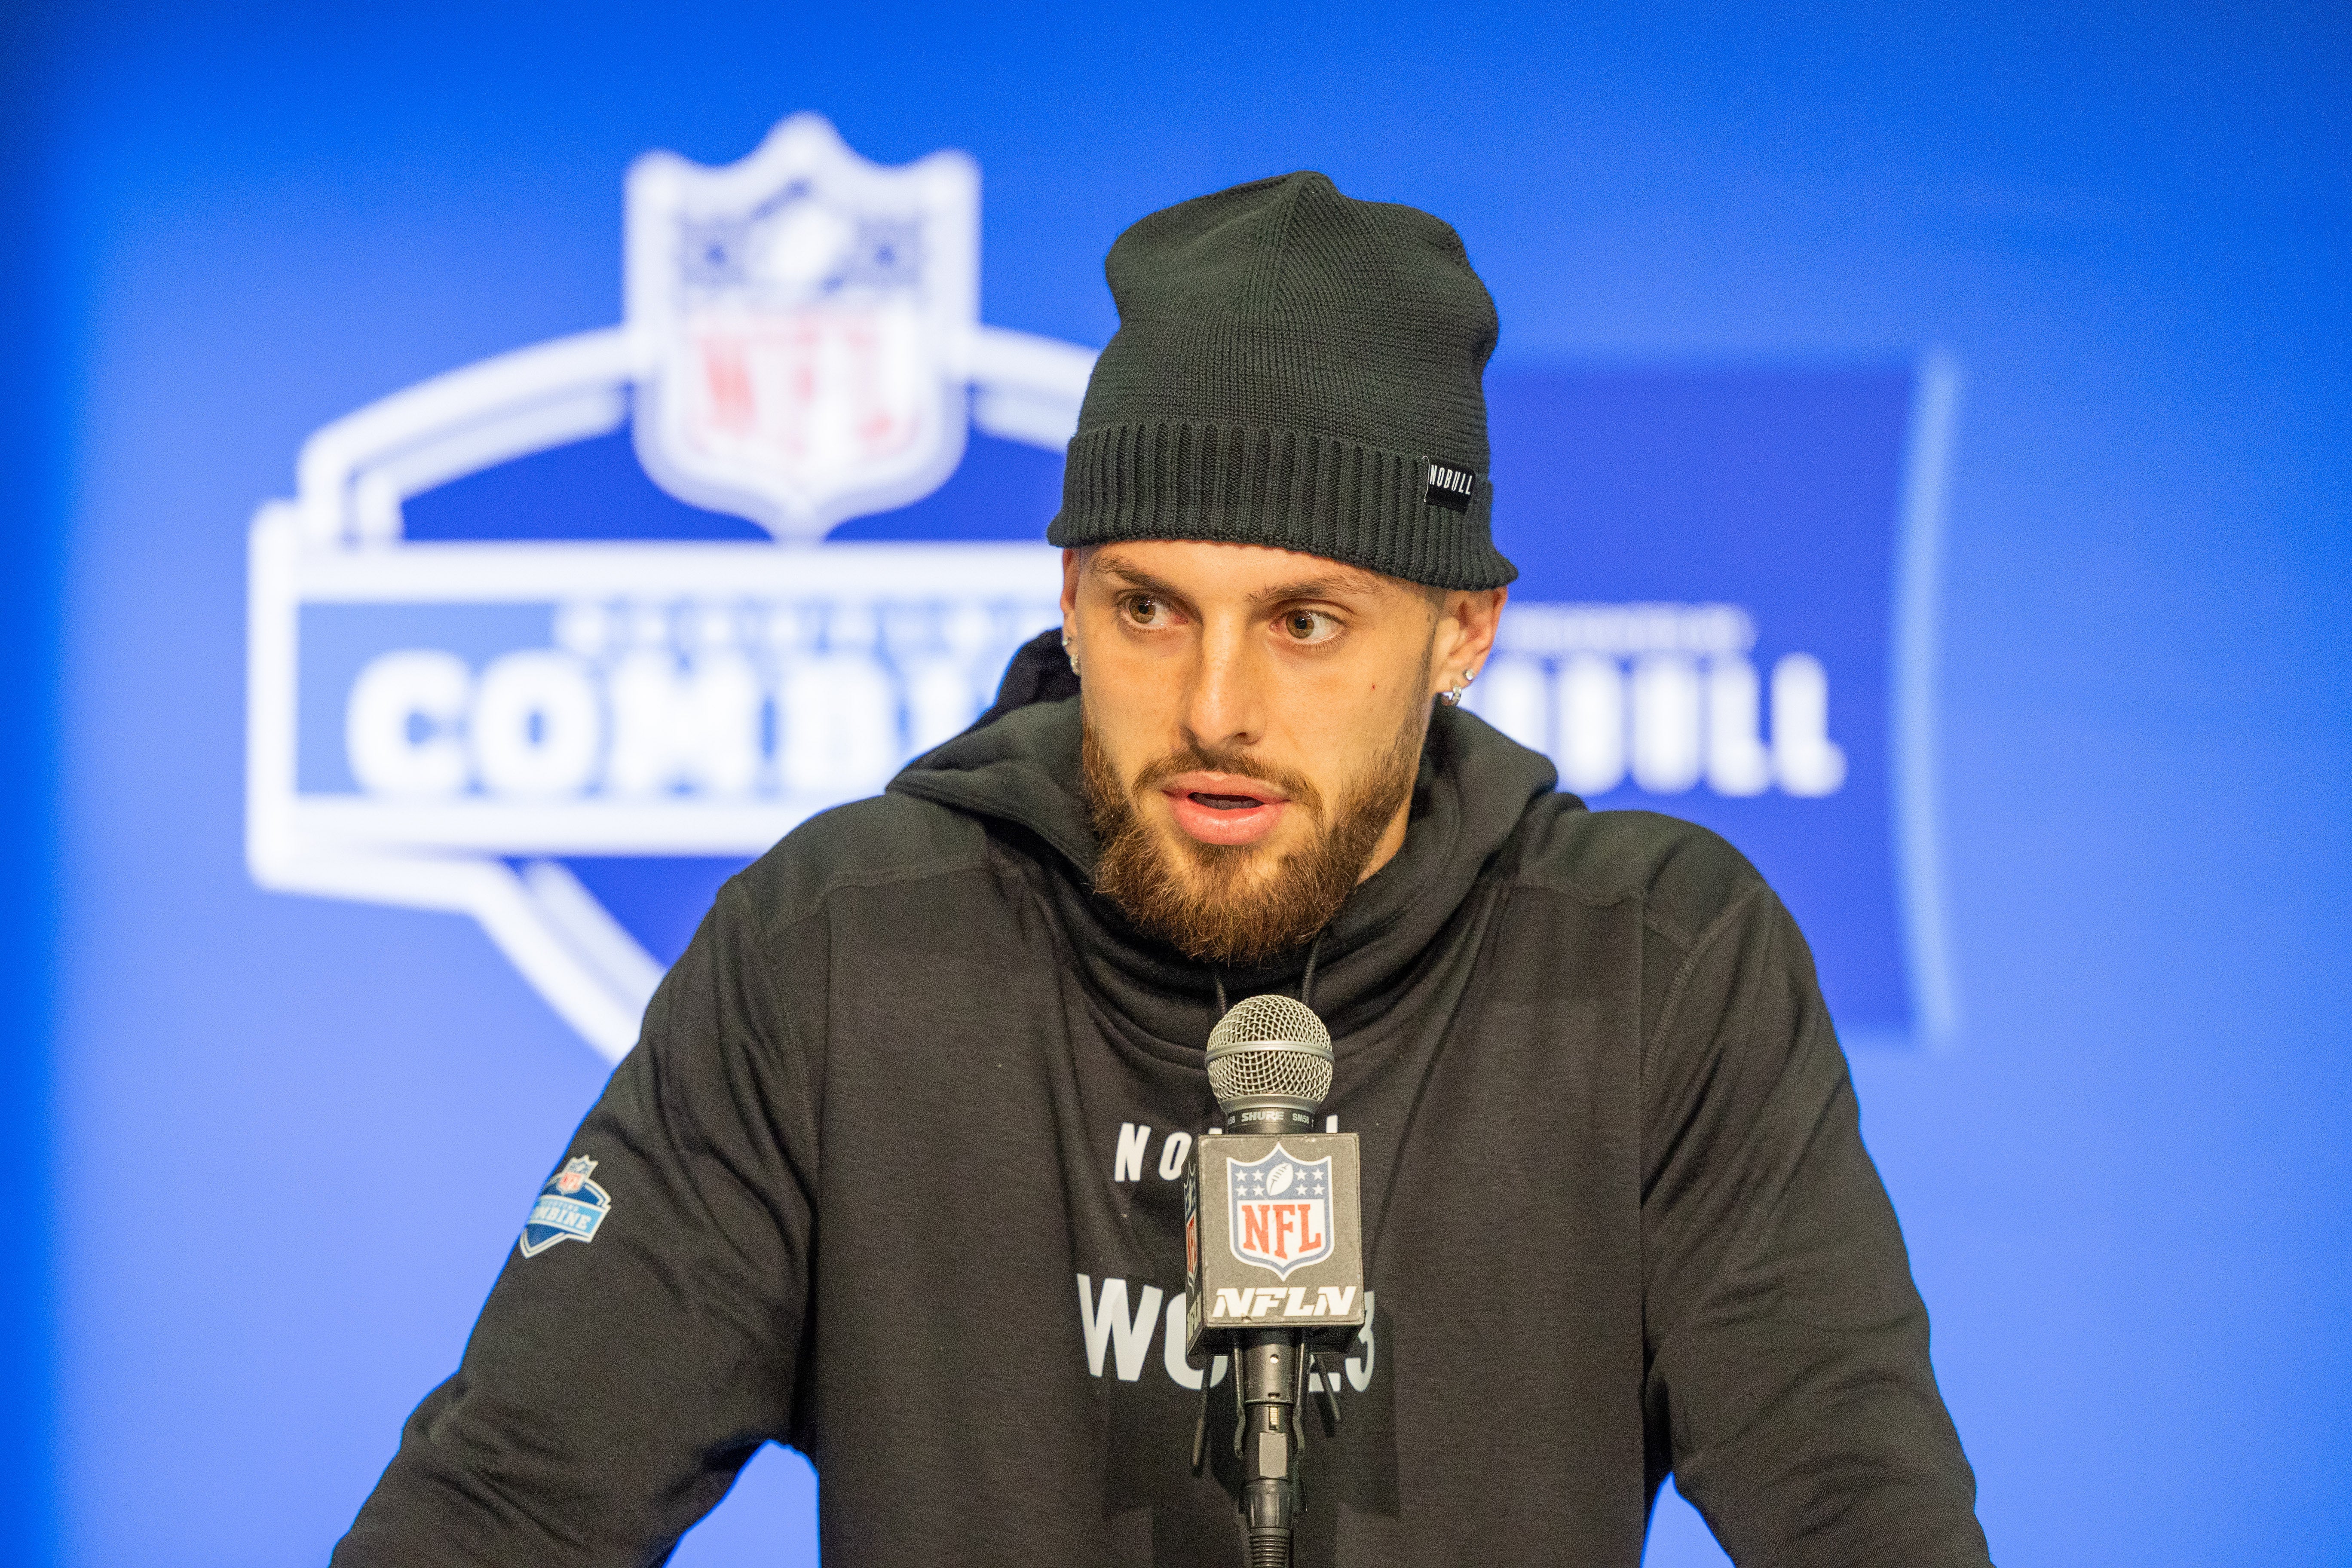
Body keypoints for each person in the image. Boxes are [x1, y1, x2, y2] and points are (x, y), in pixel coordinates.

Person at [333, 172, 1992, 1567]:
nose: (1216, 711)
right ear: (1069, 600)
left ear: (1463, 631)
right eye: (1150, 608)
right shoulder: (839, 951)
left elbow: (1862, 1516)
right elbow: (509, 1503)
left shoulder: (1654, 970)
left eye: (1306, 623)